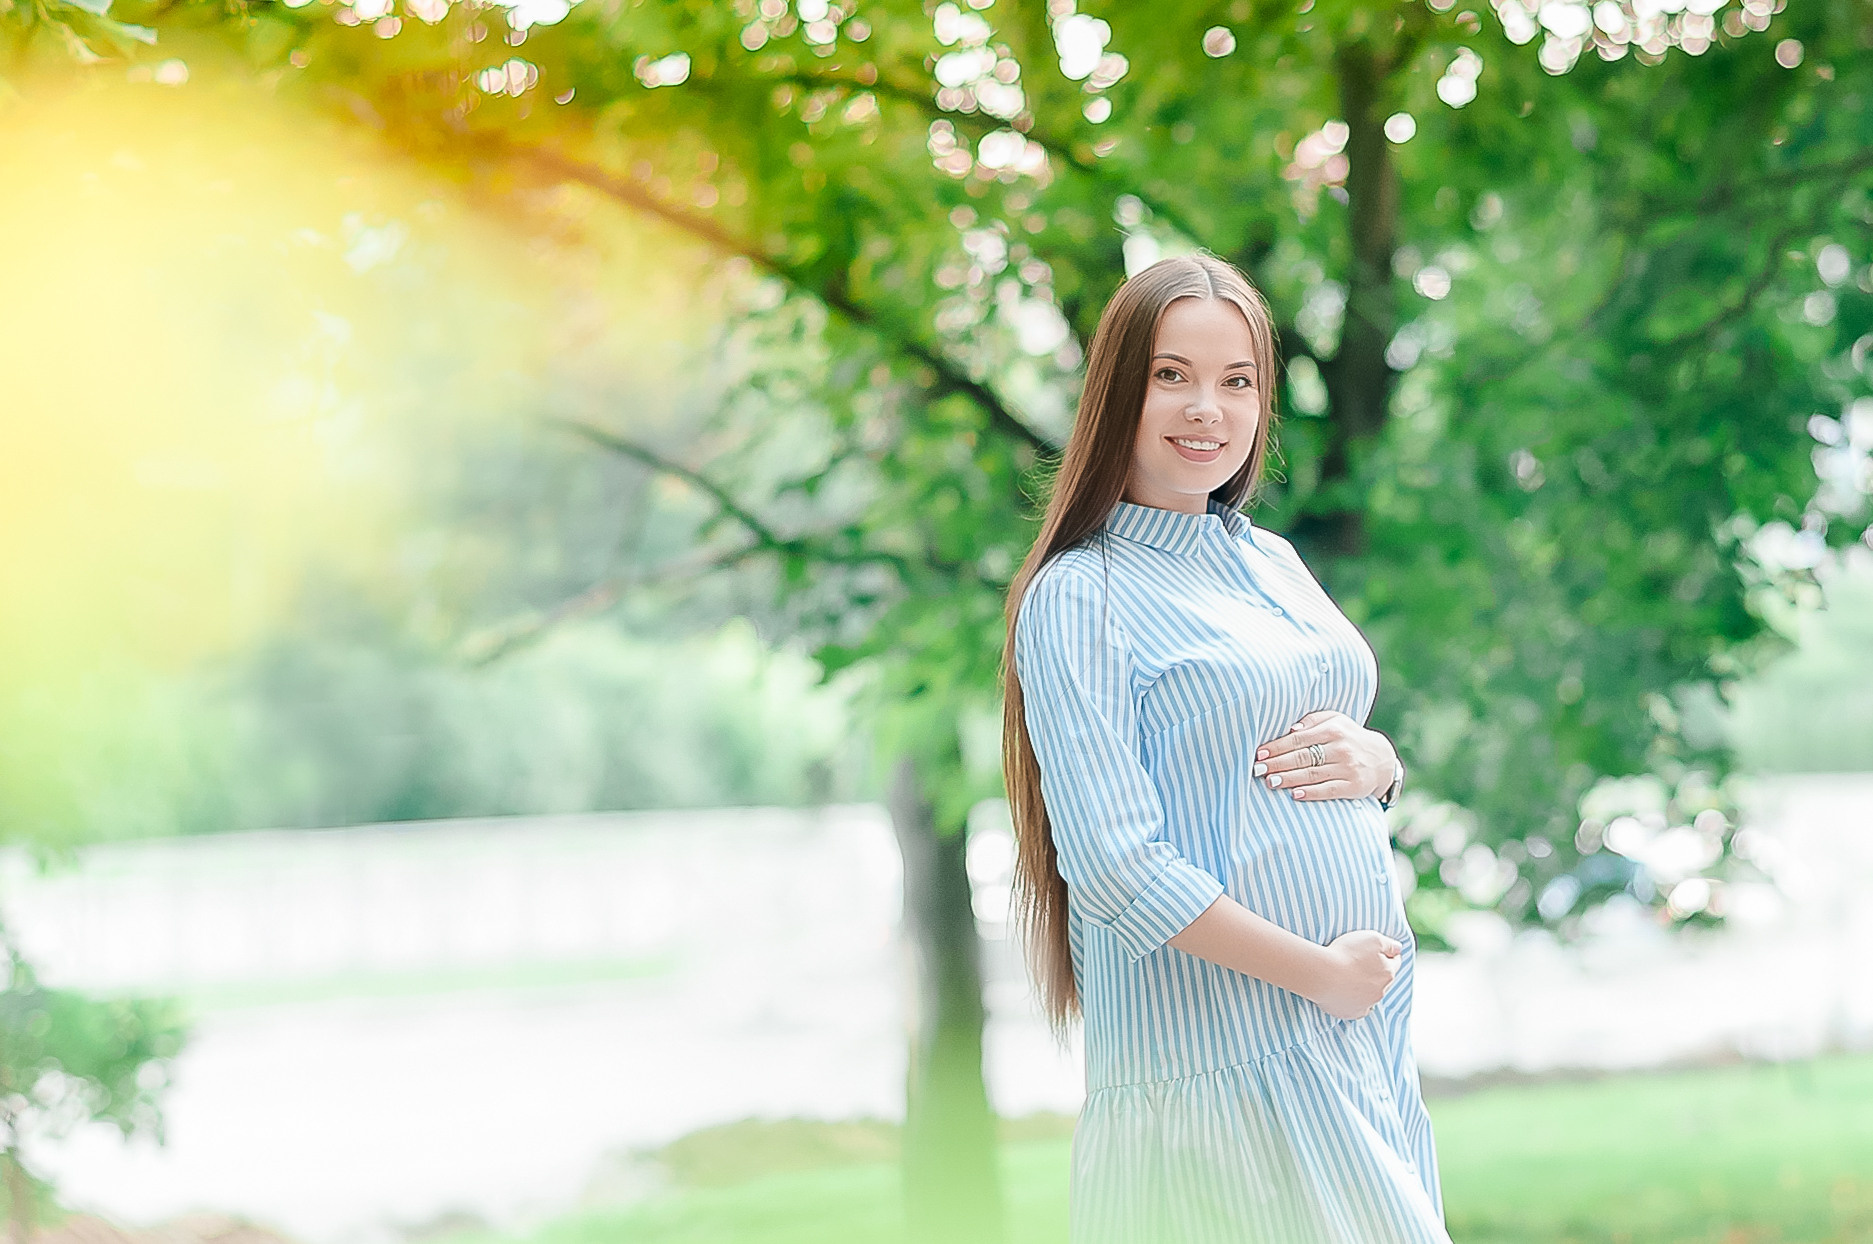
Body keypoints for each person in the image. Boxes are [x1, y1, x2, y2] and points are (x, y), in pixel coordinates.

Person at [1001, 254, 1447, 1243]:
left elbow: (1325, 751)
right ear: (1117, 390)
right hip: (1217, 1077)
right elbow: (1118, 867)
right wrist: (1316, 971)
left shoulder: (1269, 559)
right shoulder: (1082, 592)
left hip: (1346, 1049)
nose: (1207, 406)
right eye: (1172, 374)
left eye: (1236, 380)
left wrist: (1380, 767)